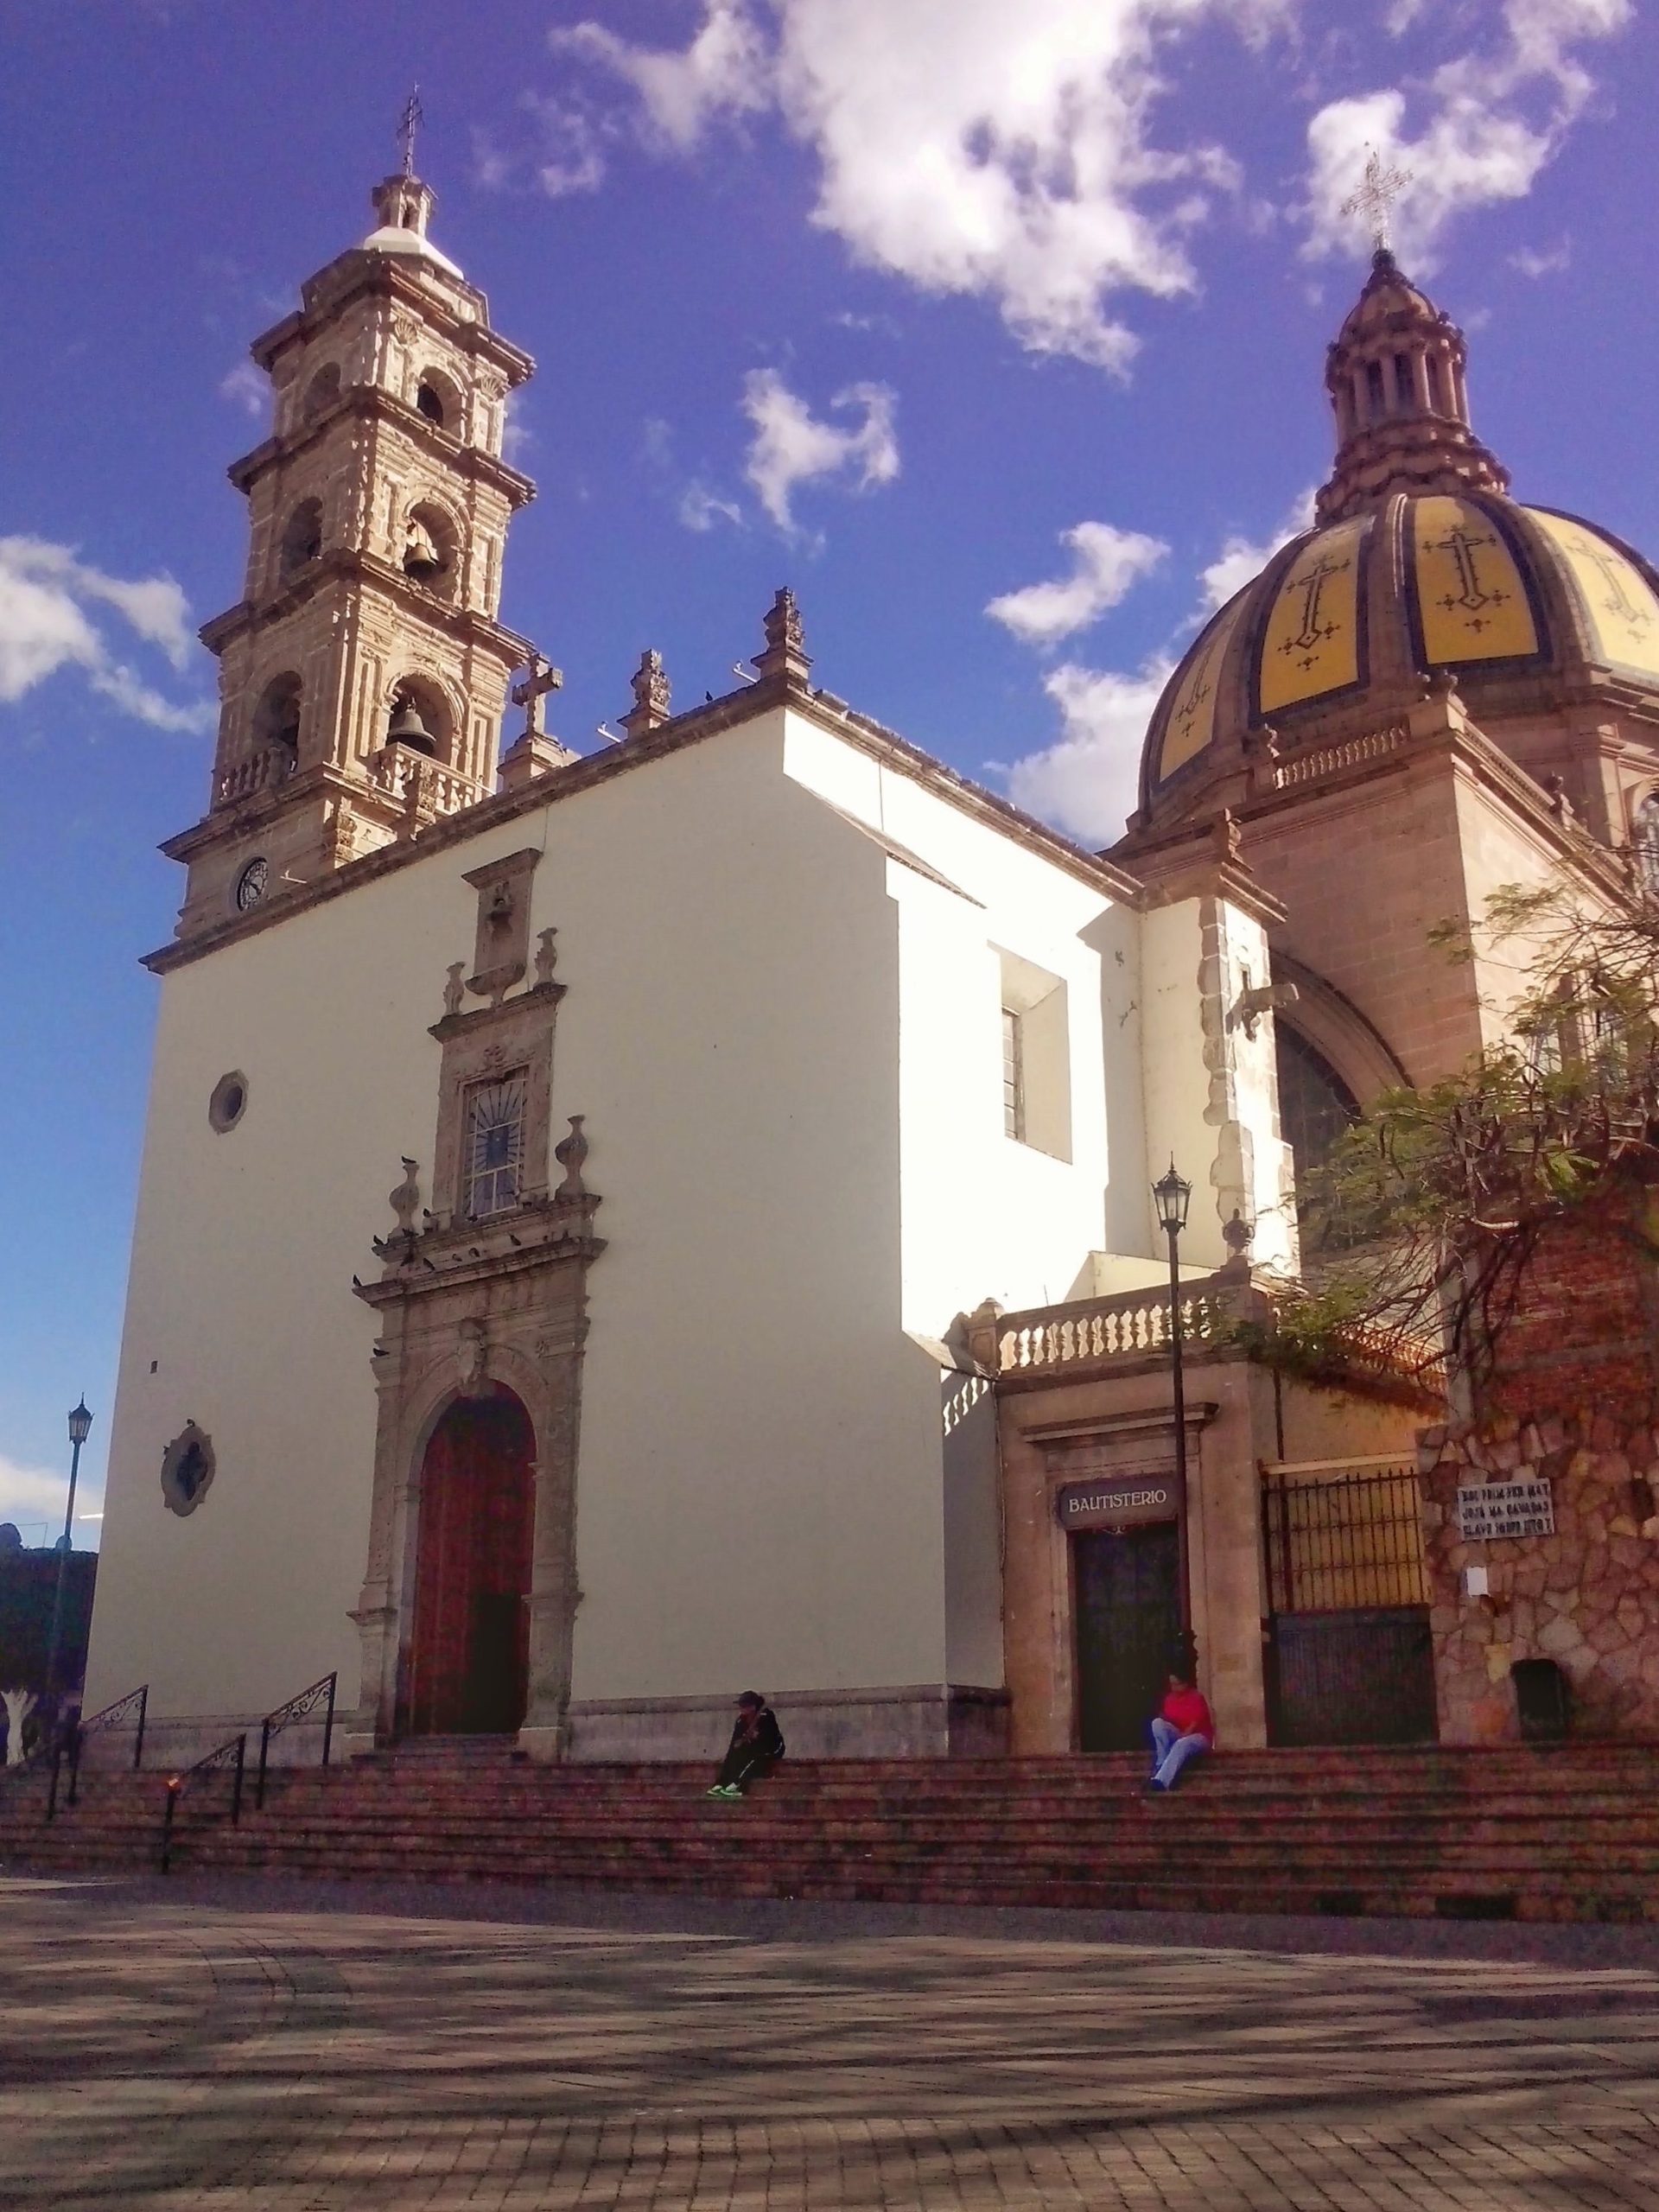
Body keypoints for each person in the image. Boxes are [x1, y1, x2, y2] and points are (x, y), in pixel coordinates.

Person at [707, 1691, 785, 1799]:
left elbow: (770, 1738)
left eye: (744, 1706)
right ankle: (721, 1783)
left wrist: (757, 1737)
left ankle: (737, 1785)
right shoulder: (740, 1720)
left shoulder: (766, 1716)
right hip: (751, 1747)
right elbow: (735, 1742)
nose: (742, 1710)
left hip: (770, 1748)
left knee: (754, 1760)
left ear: (752, 1706)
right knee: (733, 1756)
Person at [1147, 1669, 1213, 1791]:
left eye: (1176, 1684)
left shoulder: (1196, 1697)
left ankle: (1162, 1781)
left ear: (1185, 1684)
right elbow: (1169, 1720)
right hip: (1180, 1734)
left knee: (1181, 1743)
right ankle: (1161, 1763)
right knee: (1157, 1723)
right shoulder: (1169, 1699)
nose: (1174, 1688)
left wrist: (1184, 1735)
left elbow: (1195, 1721)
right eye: (1171, 1684)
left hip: (1199, 1736)